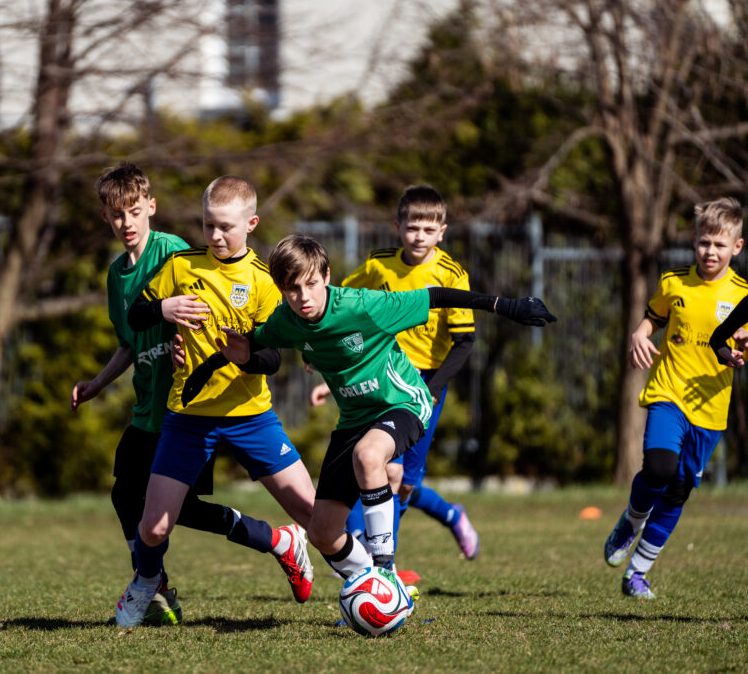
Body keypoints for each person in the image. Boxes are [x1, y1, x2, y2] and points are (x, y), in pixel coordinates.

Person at [186, 234, 554, 591]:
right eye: (292, 288)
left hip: (403, 403)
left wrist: (507, 306)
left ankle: (386, 575)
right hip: (354, 420)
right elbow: (252, 344)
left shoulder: (362, 306)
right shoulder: (287, 321)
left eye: (311, 284)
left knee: (369, 456)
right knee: (322, 533)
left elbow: (436, 296)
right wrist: (208, 367)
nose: (303, 297)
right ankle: (373, 589)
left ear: (327, 276)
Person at [72, 165, 309, 626]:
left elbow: (207, 308)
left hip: (189, 405)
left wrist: (188, 343)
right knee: (128, 495)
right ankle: (159, 583)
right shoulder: (117, 275)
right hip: (150, 402)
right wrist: (98, 383)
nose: (126, 223)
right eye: (117, 215)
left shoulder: (175, 252)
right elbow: (131, 339)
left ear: (151, 208)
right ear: (105, 217)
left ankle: (169, 581)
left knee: (167, 507)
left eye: (134, 212)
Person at [311, 185, 479, 569]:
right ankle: (381, 569)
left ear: (442, 232)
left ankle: (449, 516)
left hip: (425, 383)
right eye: (412, 228)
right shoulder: (378, 265)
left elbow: (465, 342)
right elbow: (339, 303)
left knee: (403, 482)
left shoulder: (451, 274)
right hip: (382, 373)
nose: (419, 236)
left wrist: (432, 389)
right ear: (397, 227)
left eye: (428, 229)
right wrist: (325, 359)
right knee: (380, 469)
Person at [605, 197, 748, 599]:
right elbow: (653, 317)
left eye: (720, 245)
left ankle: (637, 573)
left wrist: (741, 348)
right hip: (669, 392)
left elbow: (744, 345)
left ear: (737, 247)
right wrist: (639, 333)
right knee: (659, 468)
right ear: (694, 241)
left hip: (710, 406)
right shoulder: (674, 282)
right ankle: (631, 521)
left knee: (679, 489)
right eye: (704, 242)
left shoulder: (743, 294)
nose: (710, 252)